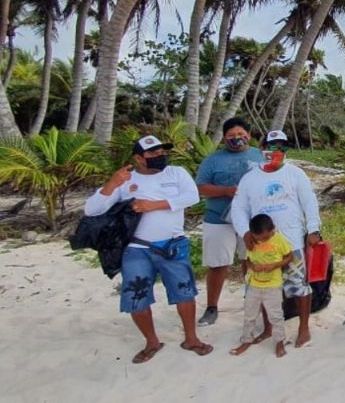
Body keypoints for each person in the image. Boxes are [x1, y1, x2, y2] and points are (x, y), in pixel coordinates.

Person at [83, 135, 212, 364]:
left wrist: (154, 205)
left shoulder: (177, 173)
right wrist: (113, 183)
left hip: (173, 244)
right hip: (137, 248)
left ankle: (191, 338)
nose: (160, 155)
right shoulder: (126, 180)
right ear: (138, 158)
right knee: (136, 297)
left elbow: (192, 196)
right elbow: (92, 210)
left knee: (185, 293)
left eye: (162, 151)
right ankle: (152, 342)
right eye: (153, 153)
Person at [232, 130, 322, 348]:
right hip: (260, 244)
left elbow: (309, 202)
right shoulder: (250, 178)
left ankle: (304, 328)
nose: (276, 151)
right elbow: (238, 208)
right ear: (263, 148)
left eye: (281, 146)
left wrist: (313, 229)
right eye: (272, 146)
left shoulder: (296, 174)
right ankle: (268, 327)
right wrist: (245, 232)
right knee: (263, 286)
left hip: (291, 242)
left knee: (299, 286)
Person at [195, 117, 264, 326]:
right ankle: (212, 307)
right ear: (224, 138)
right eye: (231, 136)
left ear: (249, 135)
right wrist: (226, 191)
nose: (237, 139)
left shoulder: (260, 155)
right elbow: (200, 187)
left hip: (252, 220)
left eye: (241, 135)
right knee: (218, 264)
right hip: (218, 219)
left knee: (250, 261)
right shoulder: (213, 160)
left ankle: (251, 300)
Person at [230, 213, 293, 358]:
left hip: (273, 285)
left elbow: (290, 257)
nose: (262, 240)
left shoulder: (279, 240)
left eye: (265, 237)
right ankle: (246, 340)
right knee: (249, 315)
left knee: (276, 316)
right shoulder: (251, 240)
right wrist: (252, 266)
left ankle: (279, 342)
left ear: (273, 230)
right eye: (259, 238)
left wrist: (276, 265)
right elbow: (247, 260)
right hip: (254, 284)